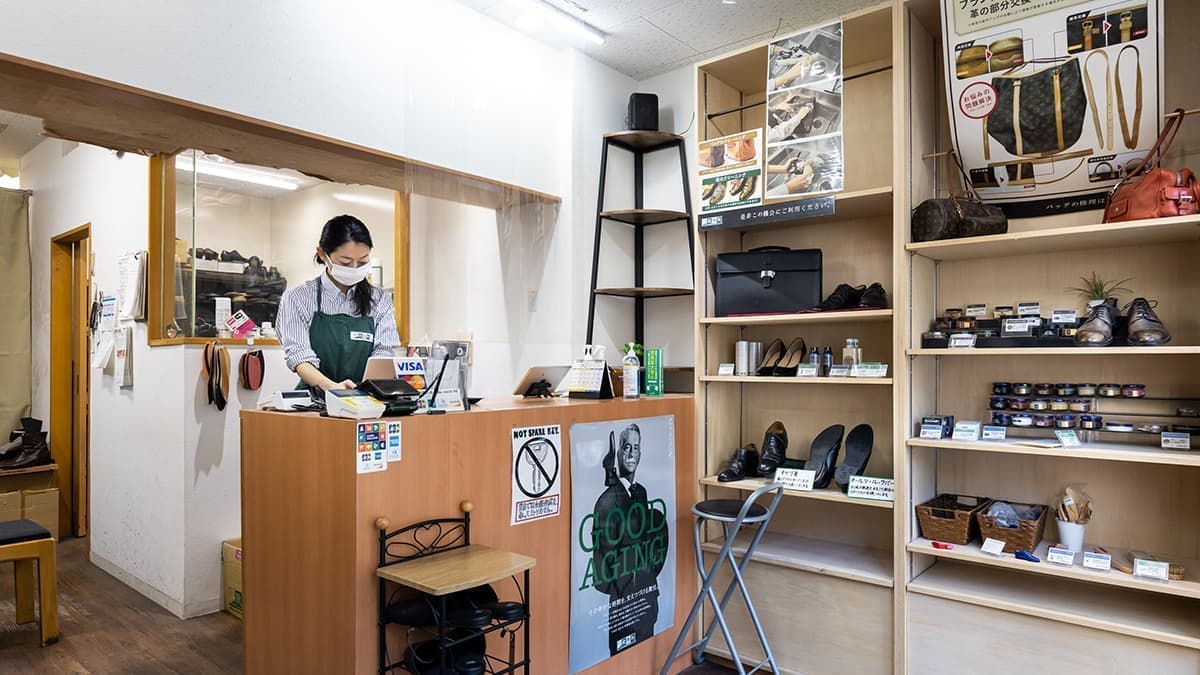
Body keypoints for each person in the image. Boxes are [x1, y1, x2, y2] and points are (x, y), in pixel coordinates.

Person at [276, 214, 400, 392]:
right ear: (322, 254)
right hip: (316, 397)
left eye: (363, 261)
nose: (355, 268)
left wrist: (364, 391)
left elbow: (384, 354)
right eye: (345, 262)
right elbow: (299, 356)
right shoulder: (298, 297)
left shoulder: (379, 299)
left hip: (365, 397)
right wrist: (333, 388)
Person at [590, 424, 669, 656]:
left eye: (636, 447)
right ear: (618, 453)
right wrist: (627, 585)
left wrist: (646, 575)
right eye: (626, 447)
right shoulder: (607, 502)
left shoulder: (640, 492)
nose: (631, 453)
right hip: (623, 607)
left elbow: (647, 543)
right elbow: (602, 570)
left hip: (647, 603)